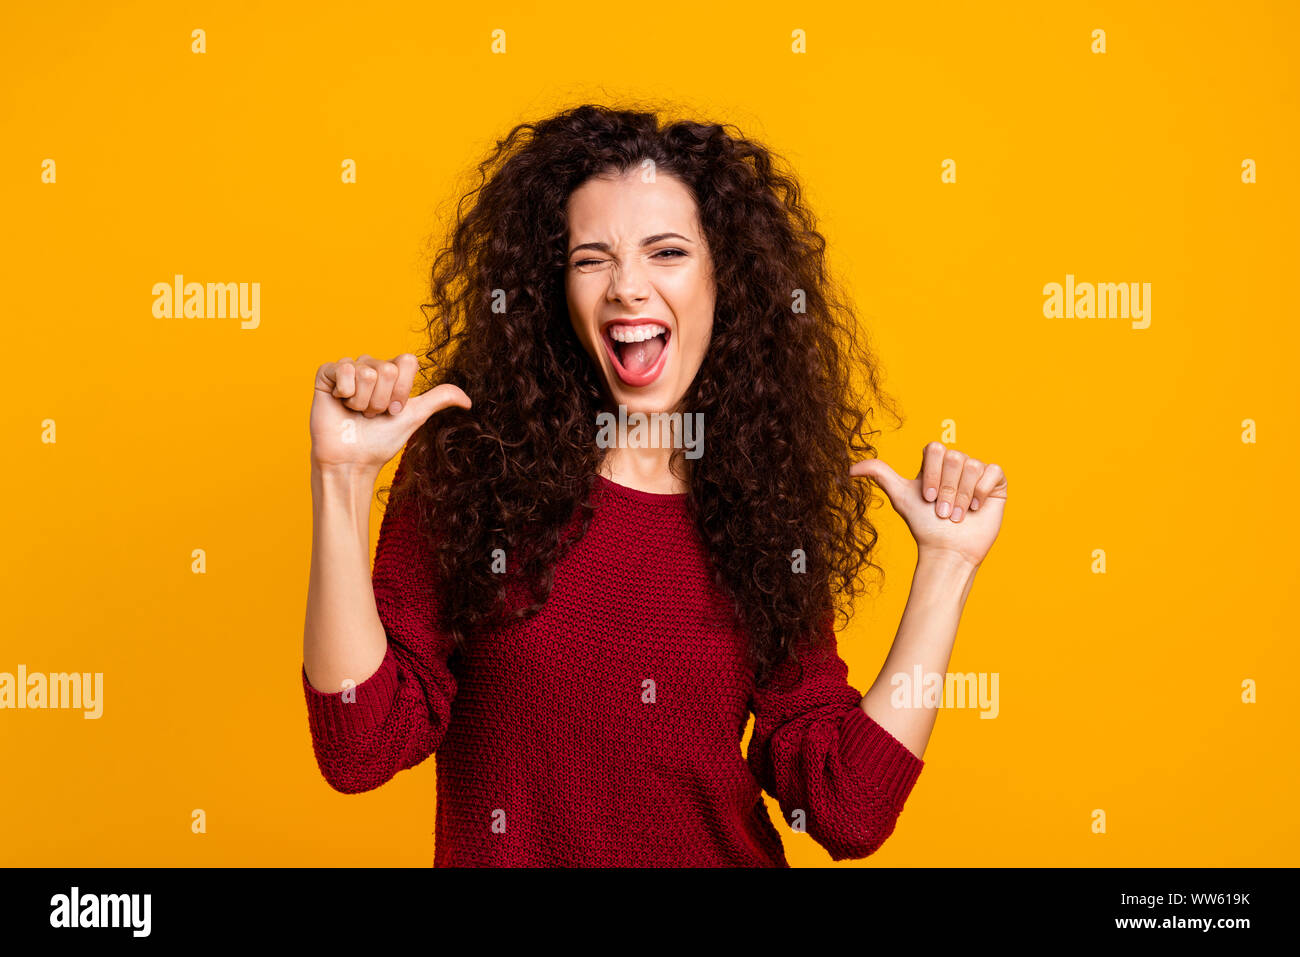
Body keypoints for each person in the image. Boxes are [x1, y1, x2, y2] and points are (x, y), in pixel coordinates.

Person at [300, 103, 1007, 866]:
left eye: (666, 252)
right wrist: (339, 481)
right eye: (590, 257)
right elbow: (360, 746)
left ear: (721, 277)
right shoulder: (471, 464)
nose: (627, 288)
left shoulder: (762, 503)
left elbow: (842, 805)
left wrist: (947, 565)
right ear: (554, 289)